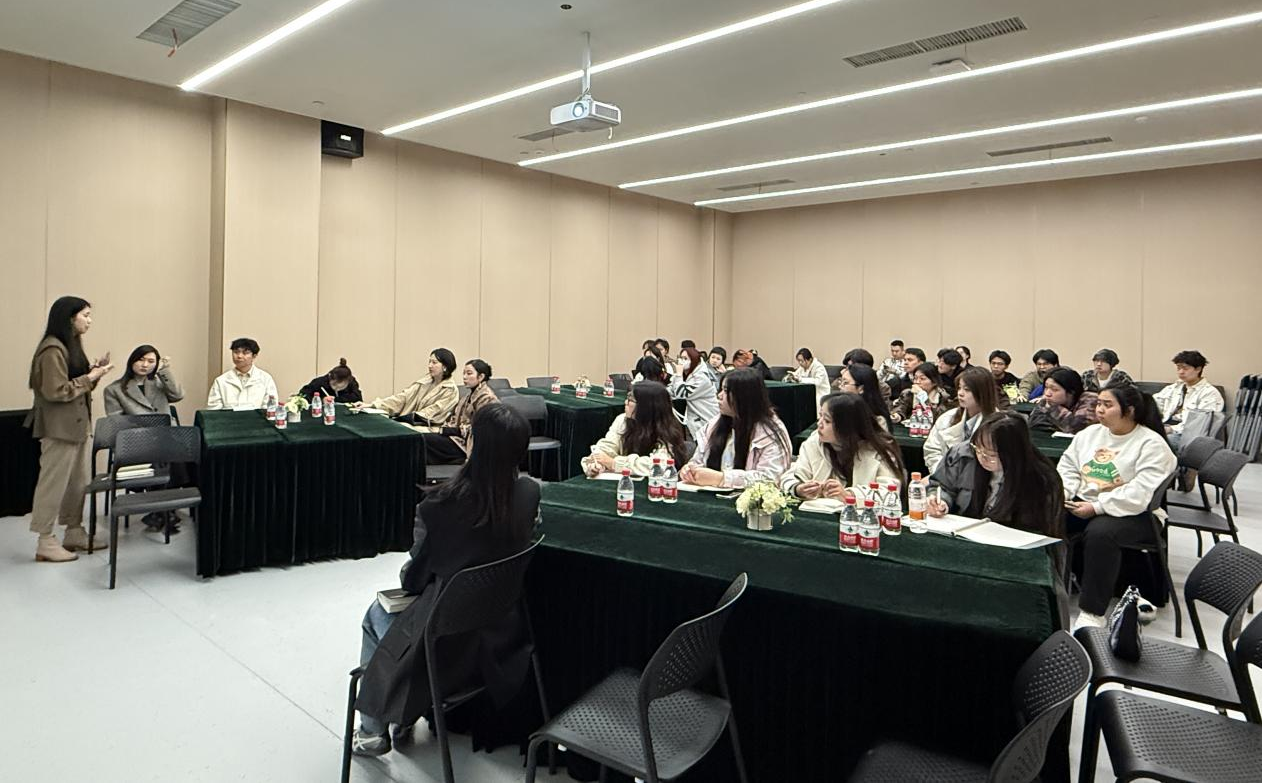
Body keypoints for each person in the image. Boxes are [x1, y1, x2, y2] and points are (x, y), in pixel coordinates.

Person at [351, 404, 540, 755]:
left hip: (443, 637)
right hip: (503, 630)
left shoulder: (438, 506)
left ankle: (373, 729)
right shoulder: (528, 493)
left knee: (375, 615)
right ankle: (400, 716)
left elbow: (414, 578)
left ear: (475, 444)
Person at [1059, 385, 1177, 629]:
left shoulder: (1151, 444)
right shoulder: (1089, 434)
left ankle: (1092, 611)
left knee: (1101, 533)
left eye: (1107, 405)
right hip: (1085, 502)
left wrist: (1097, 507)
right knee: (1042, 516)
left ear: (1129, 410)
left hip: (1138, 514)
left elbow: (1140, 493)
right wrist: (1066, 493)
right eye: (1098, 404)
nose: (1099, 410)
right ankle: (1053, 588)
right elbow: (1068, 467)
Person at [25, 297, 115, 562]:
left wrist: (94, 373)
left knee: (77, 483)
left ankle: (74, 531)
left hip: (77, 426)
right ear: (69, 318)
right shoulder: (52, 349)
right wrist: (89, 378)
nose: (89, 320)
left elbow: (76, 385)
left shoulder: (71, 345)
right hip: (58, 429)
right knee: (53, 485)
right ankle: (45, 540)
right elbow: (56, 391)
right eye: (85, 315)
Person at [926, 413, 1065, 540]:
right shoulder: (963, 454)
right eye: (978, 449)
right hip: (962, 535)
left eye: (991, 455)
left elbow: (1043, 530)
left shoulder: (1042, 479)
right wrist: (941, 501)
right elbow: (941, 485)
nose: (982, 457)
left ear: (1013, 453)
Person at [679, 368, 791, 489]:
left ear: (744, 396)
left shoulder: (770, 432)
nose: (719, 396)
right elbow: (698, 462)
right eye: (720, 390)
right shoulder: (714, 424)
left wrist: (721, 478)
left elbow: (770, 479)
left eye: (726, 391)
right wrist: (690, 470)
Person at [781, 394, 903, 499]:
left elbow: (890, 492)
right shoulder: (814, 442)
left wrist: (849, 495)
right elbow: (790, 476)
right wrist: (798, 488)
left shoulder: (878, 449)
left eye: (827, 421)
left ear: (846, 427)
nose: (819, 424)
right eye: (820, 416)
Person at [582, 381, 689, 477]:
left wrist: (615, 463)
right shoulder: (622, 420)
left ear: (646, 407)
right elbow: (607, 447)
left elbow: (659, 465)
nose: (625, 403)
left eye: (630, 400)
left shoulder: (666, 430)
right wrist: (596, 463)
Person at [420, 359, 499, 465]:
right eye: (464, 373)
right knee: (422, 438)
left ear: (481, 377)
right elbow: (455, 419)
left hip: (469, 445)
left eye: (469, 373)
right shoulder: (467, 397)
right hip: (458, 439)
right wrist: (446, 428)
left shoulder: (487, 398)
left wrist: (455, 431)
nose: (464, 377)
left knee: (424, 441)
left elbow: (483, 428)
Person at [924, 366, 999, 474]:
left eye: (967, 389)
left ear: (983, 392)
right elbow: (932, 450)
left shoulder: (997, 423)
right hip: (946, 478)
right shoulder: (948, 417)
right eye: (959, 388)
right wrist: (943, 474)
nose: (960, 393)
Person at [362, 349, 459, 427]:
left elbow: (432, 412)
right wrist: (373, 405)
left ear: (445, 367)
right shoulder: (425, 381)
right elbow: (403, 398)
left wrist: (404, 419)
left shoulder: (450, 390)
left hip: (429, 427)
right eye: (429, 362)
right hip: (409, 421)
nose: (430, 366)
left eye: (434, 362)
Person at [1153, 350, 1224, 453]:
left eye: (1185, 368)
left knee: (1156, 442)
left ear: (1198, 369)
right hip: (1166, 427)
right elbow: (1154, 404)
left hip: (1187, 435)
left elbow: (1199, 425)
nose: (1181, 372)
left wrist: (1171, 429)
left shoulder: (1209, 393)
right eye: (1178, 368)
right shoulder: (1174, 388)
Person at [103, 345, 184, 417]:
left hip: (166, 428)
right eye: (141, 360)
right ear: (132, 361)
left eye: (151, 361)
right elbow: (116, 421)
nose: (145, 365)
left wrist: (163, 370)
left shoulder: (160, 383)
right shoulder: (114, 389)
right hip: (136, 429)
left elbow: (177, 396)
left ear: (156, 364)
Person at [206, 338, 278, 410]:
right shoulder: (221, 381)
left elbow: (270, 408)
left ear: (254, 356)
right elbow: (213, 410)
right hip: (229, 417)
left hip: (257, 417)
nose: (239, 356)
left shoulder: (265, 379)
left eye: (245, 353)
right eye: (236, 352)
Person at [668, 347, 720, 442]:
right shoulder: (687, 375)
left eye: (685, 359)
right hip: (695, 420)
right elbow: (672, 391)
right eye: (681, 358)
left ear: (694, 360)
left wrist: (678, 375)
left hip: (706, 419)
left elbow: (681, 394)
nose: (681, 361)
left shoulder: (701, 378)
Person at [1029, 367, 1099, 434]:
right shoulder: (1046, 401)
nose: (1047, 394)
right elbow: (1034, 425)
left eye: (1054, 389)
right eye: (1046, 388)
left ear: (1071, 392)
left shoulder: (1090, 398)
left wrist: (1053, 408)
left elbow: (1077, 428)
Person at [836, 363, 894, 432]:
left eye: (845, 383)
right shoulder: (838, 408)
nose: (840, 386)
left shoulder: (878, 421)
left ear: (861, 388)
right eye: (841, 381)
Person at [298, 358, 363, 405]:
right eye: (334, 385)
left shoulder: (352, 382)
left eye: (341, 387)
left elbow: (358, 399)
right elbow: (302, 396)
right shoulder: (319, 382)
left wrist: (336, 399)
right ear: (329, 377)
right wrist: (321, 400)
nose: (336, 388)